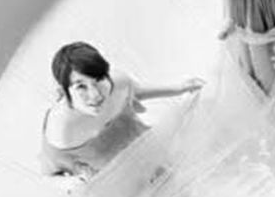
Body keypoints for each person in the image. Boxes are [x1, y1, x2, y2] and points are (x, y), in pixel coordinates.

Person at [40, 41, 201, 182]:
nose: (95, 95)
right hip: (117, 188)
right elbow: (49, 175)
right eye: (81, 86)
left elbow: (134, 92)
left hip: (151, 158)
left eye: (99, 80)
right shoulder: (61, 129)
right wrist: (74, 182)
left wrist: (178, 89)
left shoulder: (117, 83)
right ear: (64, 91)